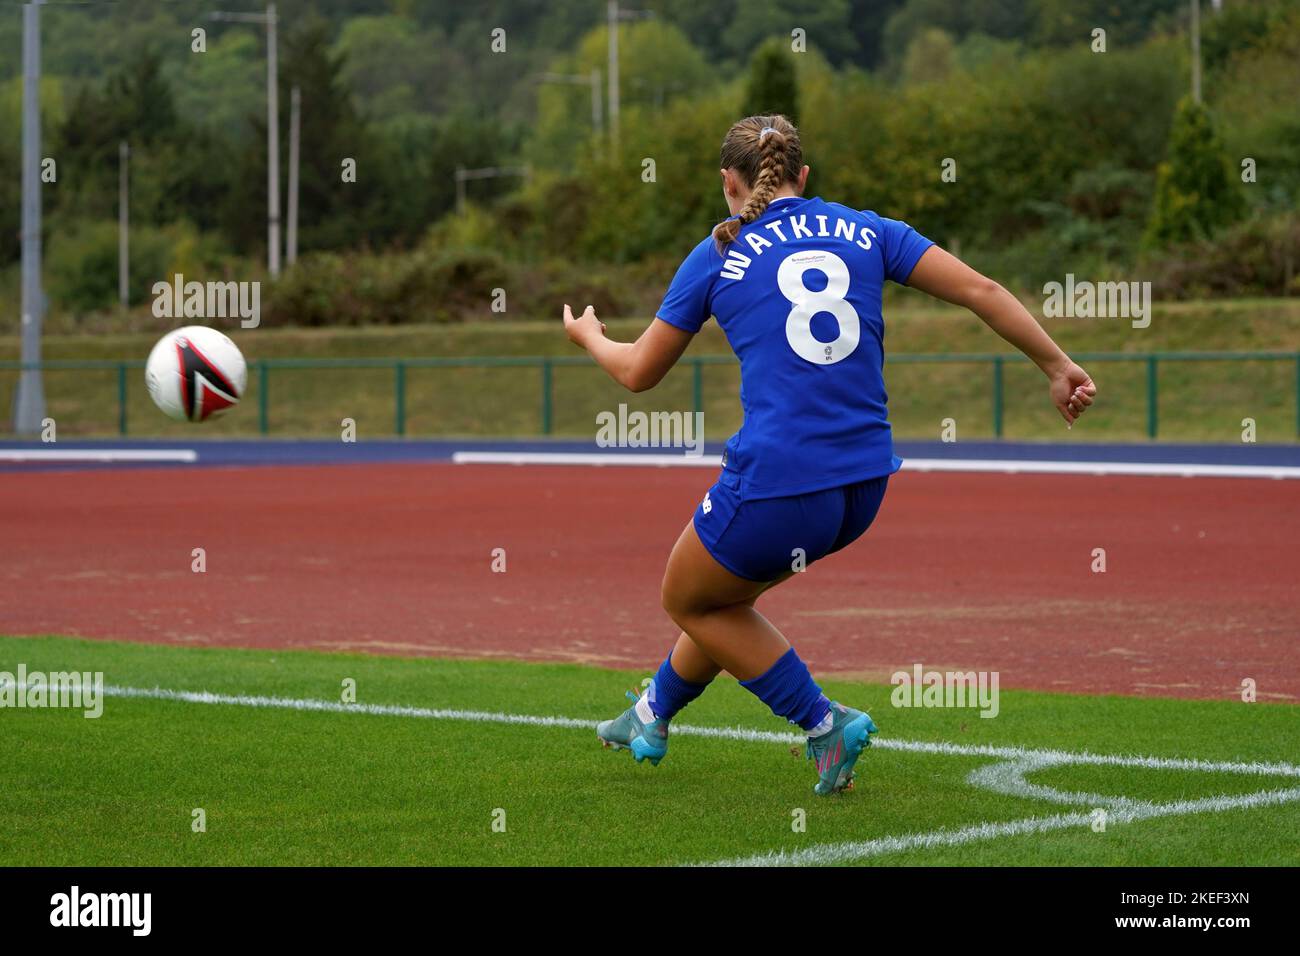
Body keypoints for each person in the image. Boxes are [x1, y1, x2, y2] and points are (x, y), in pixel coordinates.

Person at [562, 114, 1096, 795]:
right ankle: (651, 713)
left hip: (781, 481)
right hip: (863, 487)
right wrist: (1058, 366)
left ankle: (822, 723)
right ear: (803, 177)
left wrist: (587, 337)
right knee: (728, 597)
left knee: (689, 598)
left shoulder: (720, 250)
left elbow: (638, 371)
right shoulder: (868, 229)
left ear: (729, 181)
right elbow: (981, 291)